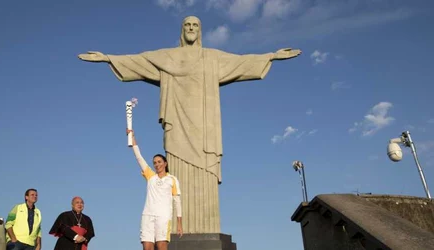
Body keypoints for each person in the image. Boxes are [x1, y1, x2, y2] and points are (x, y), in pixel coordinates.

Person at [78, 15, 301, 234]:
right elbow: (140, 61)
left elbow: (241, 62)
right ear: (182, 30)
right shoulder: (168, 57)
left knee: (205, 173)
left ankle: (205, 228)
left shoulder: (212, 58)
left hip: (205, 127)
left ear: (200, 30)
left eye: (195, 25)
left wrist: (271, 56)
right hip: (177, 124)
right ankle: (178, 230)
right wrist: (108, 58)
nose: (191, 28)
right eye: (187, 25)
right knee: (177, 175)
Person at [127, 129, 183, 250]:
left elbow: (177, 202)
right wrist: (132, 136)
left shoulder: (172, 179)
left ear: (165, 163)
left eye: (159, 162)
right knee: (147, 246)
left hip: (163, 216)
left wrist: (179, 224)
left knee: (162, 245)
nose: (157, 164)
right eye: (154, 163)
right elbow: (139, 157)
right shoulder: (150, 176)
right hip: (148, 215)